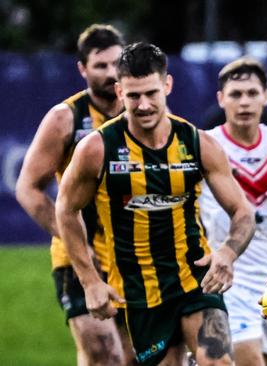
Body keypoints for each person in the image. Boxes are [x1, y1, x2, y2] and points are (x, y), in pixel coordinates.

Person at [55, 42, 256, 366]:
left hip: (197, 279)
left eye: (152, 93)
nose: (144, 105)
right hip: (140, 292)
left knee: (218, 363)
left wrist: (228, 254)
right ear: (119, 91)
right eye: (134, 96)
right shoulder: (97, 148)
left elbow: (243, 210)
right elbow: (65, 209)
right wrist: (90, 281)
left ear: (167, 85)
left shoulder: (197, 143)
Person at [15, 23, 133, 365]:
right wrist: (72, 237)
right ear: (82, 69)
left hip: (133, 252)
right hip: (78, 257)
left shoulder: (142, 113)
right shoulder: (66, 118)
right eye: (100, 65)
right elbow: (28, 188)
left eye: (116, 64)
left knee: (135, 356)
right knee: (103, 354)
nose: (111, 73)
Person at [198, 58, 267, 366]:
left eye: (251, 92)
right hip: (226, 268)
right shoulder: (207, 143)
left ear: (266, 96)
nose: (244, 102)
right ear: (221, 99)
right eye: (235, 94)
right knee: (249, 359)